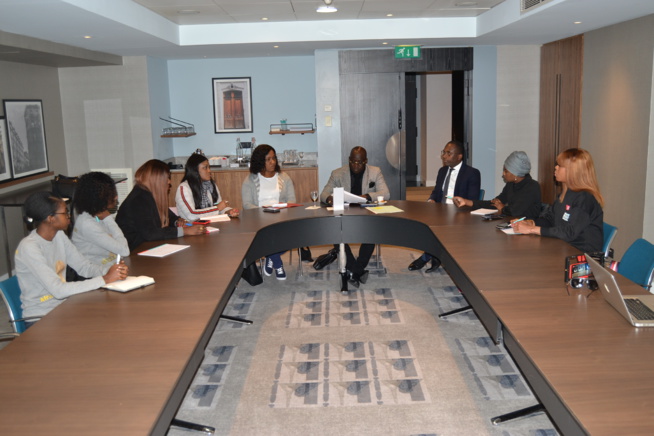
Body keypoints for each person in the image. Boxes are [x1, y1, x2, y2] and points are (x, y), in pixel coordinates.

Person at [15, 191, 128, 324]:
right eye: (64, 213)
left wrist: (112, 271)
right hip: (41, 318)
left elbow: (84, 267)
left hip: (64, 307)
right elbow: (58, 290)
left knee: (111, 317)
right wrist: (105, 279)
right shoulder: (29, 247)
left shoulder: (59, 236)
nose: (69, 216)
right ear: (50, 218)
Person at [316, 146, 390, 287]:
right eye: (353, 162)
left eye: (360, 162)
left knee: (372, 234)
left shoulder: (375, 172)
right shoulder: (337, 174)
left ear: (365, 161)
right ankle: (357, 271)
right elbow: (323, 194)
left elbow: (386, 193)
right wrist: (330, 199)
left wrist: (367, 196)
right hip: (345, 214)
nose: (356, 165)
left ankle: (355, 271)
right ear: (349, 160)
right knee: (336, 233)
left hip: (366, 215)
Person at [408, 140, 481, 272]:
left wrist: (458, 205)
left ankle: (427, 257)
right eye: (444, 152)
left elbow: (473, 200)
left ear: (459, 156)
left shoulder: (472, 173)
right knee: (421, 224)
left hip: (459, 214)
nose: (444, 156)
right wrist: (431, 200)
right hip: (439, 210)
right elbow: (436, 192)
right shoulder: (442, 171)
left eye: (448, 153)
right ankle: (435, 257)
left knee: (439, 227)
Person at [513, 148, 604, 252]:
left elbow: (569, 232)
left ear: (573, 171)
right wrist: (531, 223)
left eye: (560, 166)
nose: (555, 168)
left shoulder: (585, 198)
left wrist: (532, 230)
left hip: (582, 255)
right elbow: (549, 219)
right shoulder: (564, 195)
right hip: (563, 247)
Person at [116, 159, 206, 251]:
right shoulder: (138, 200)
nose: (169, 182)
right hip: (136, 252)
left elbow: (167, 215)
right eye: (167, 178)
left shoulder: (147, 194)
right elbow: (151, 233)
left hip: (148, 247)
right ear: (157, 179)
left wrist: (177, 221)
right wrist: (185, 231)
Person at [241, 144, 295, 280]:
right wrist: (263, 211)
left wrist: (281, 209)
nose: (272, 162)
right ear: (260, 161)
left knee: (293, 235)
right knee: (267, 234)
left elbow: (292, 201)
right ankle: (277, 262)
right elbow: (247, 205)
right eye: (268, 159)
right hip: (258, 220)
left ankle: (270, 257)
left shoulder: (284, 177)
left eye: (274, 158)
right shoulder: (250, 180)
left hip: (281, 217)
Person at [452, 150, 541, 219]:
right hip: (512, 225)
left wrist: (502, 208)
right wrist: (466, 202)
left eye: (506, 171)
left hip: (528, 230)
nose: (503, 174)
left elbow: (515, 212)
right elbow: (493, 203)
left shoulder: (532, 187)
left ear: (515, 173)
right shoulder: (511, 185)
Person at [71, 171, 130, 274]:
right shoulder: (87, 224)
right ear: (98, 196)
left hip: (110, 268)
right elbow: (124, 250)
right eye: (111, 193)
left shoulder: (94, 215)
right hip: (97, 274)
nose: (115, 197)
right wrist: (108, 218)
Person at [175, 153, 240, 221]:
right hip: (191, 228)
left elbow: (219, 206)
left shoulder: (211, 185)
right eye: (205, 168)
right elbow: (192, 215)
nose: (209, 171)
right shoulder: (184, 188)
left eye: (209, 167)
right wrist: (217, 208)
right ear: (195, 171)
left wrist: (229, 211)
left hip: (210, 225)